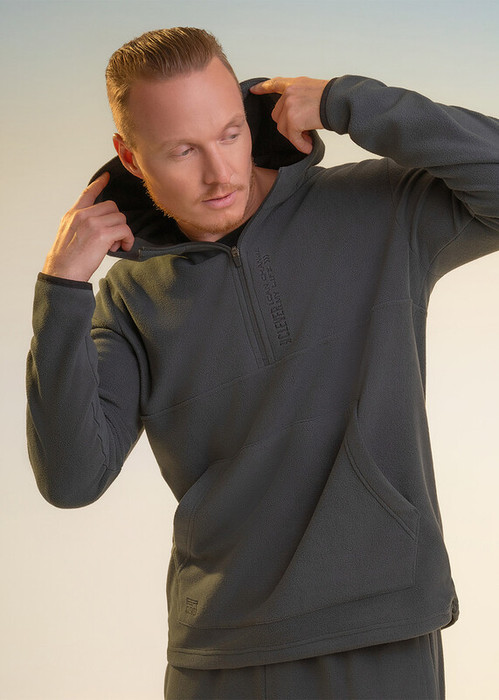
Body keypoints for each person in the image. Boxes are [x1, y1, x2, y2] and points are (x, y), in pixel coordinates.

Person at [26, 26, 499, 700]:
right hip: (220, 653)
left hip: (379, 623)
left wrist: (351, 102)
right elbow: (72, 478)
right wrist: (62, 291)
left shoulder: (378, 210)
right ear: (130, 157)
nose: (221, 173)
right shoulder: (130, 298)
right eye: (183, 150)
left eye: (230, 134)